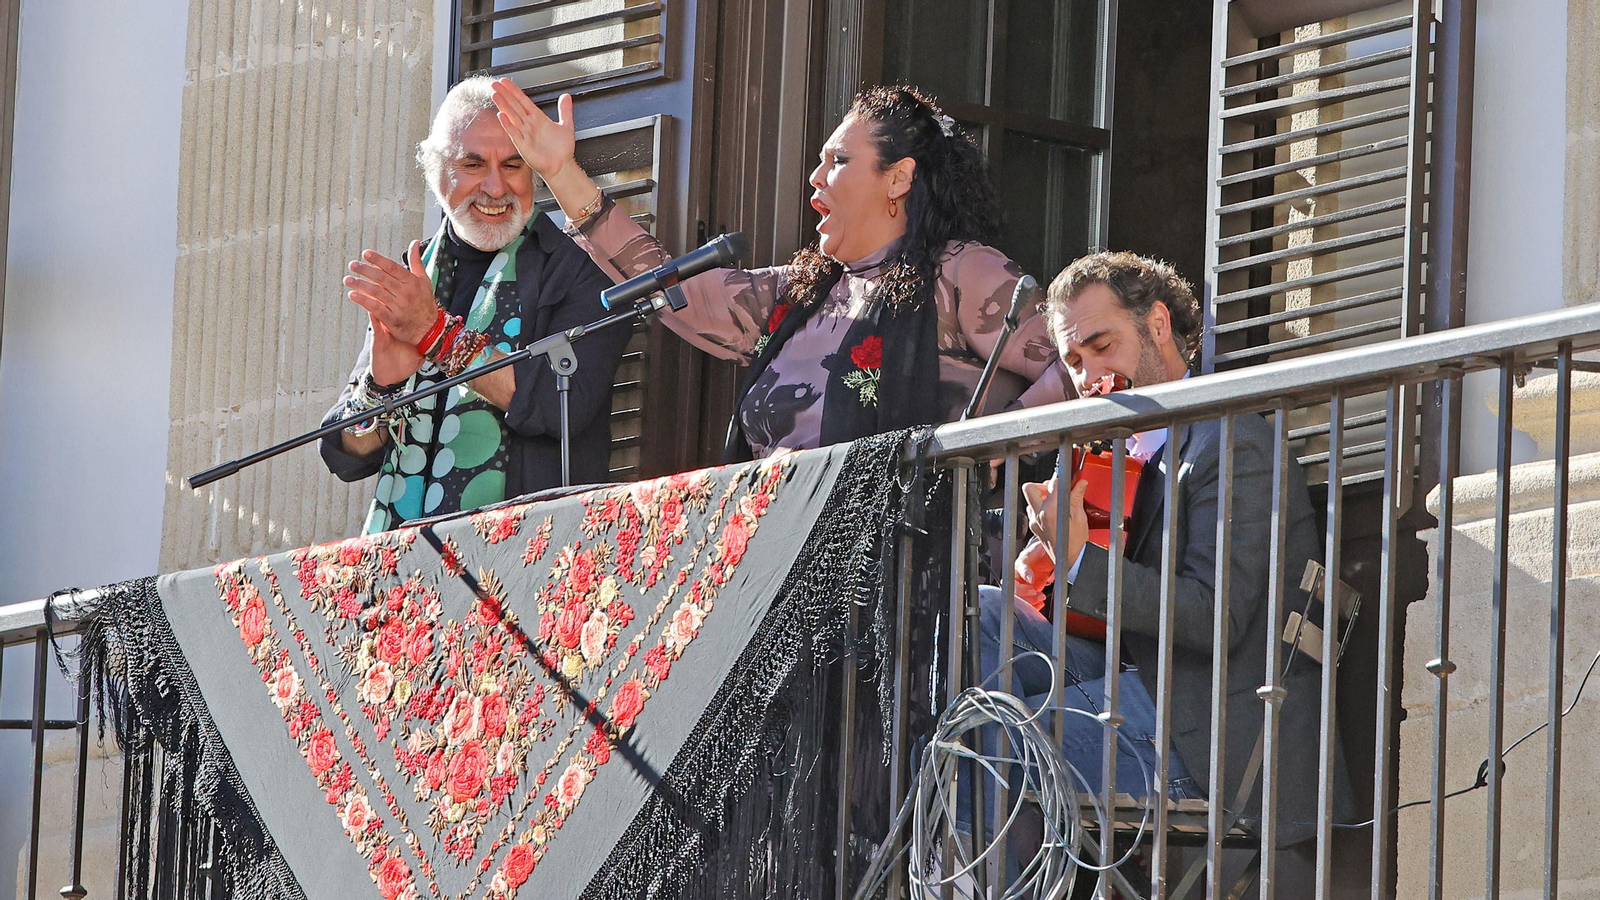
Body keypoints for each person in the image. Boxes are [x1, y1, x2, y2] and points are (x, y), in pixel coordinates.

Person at [981, 251, 1350, 892]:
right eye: (1074, 362)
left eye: (1103, 345)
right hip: (1136, 687)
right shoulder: (1119, 458)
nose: (1092, 375)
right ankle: (973, 871)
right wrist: (1048, 570)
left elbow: (1216, 615)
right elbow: (1112, 622)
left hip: (1207, 738)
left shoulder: (1233, 441)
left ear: (1157, 325)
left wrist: (1077, 559)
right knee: (983, 616)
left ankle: (988, 881)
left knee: (996, 731)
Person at [488, 80, 1070, 460]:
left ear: (898, 178)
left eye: (838, 162)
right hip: (787, 583)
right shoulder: (804, 291)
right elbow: (673, 291)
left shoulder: (963, 272)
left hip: (914, 591)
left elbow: (1081, 361)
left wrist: (993, 445)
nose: (815, 179)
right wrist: (562, 173)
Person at [320, 77, 627, 534]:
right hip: (409, 570)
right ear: (436, 172)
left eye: (513, 165)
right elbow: (345, 453)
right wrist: (382, 389)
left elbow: (555, 406)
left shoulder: (580, 272)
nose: (495, 186)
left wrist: (435, 335)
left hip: (531, 561)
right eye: (473, 163)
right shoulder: (417, 274)